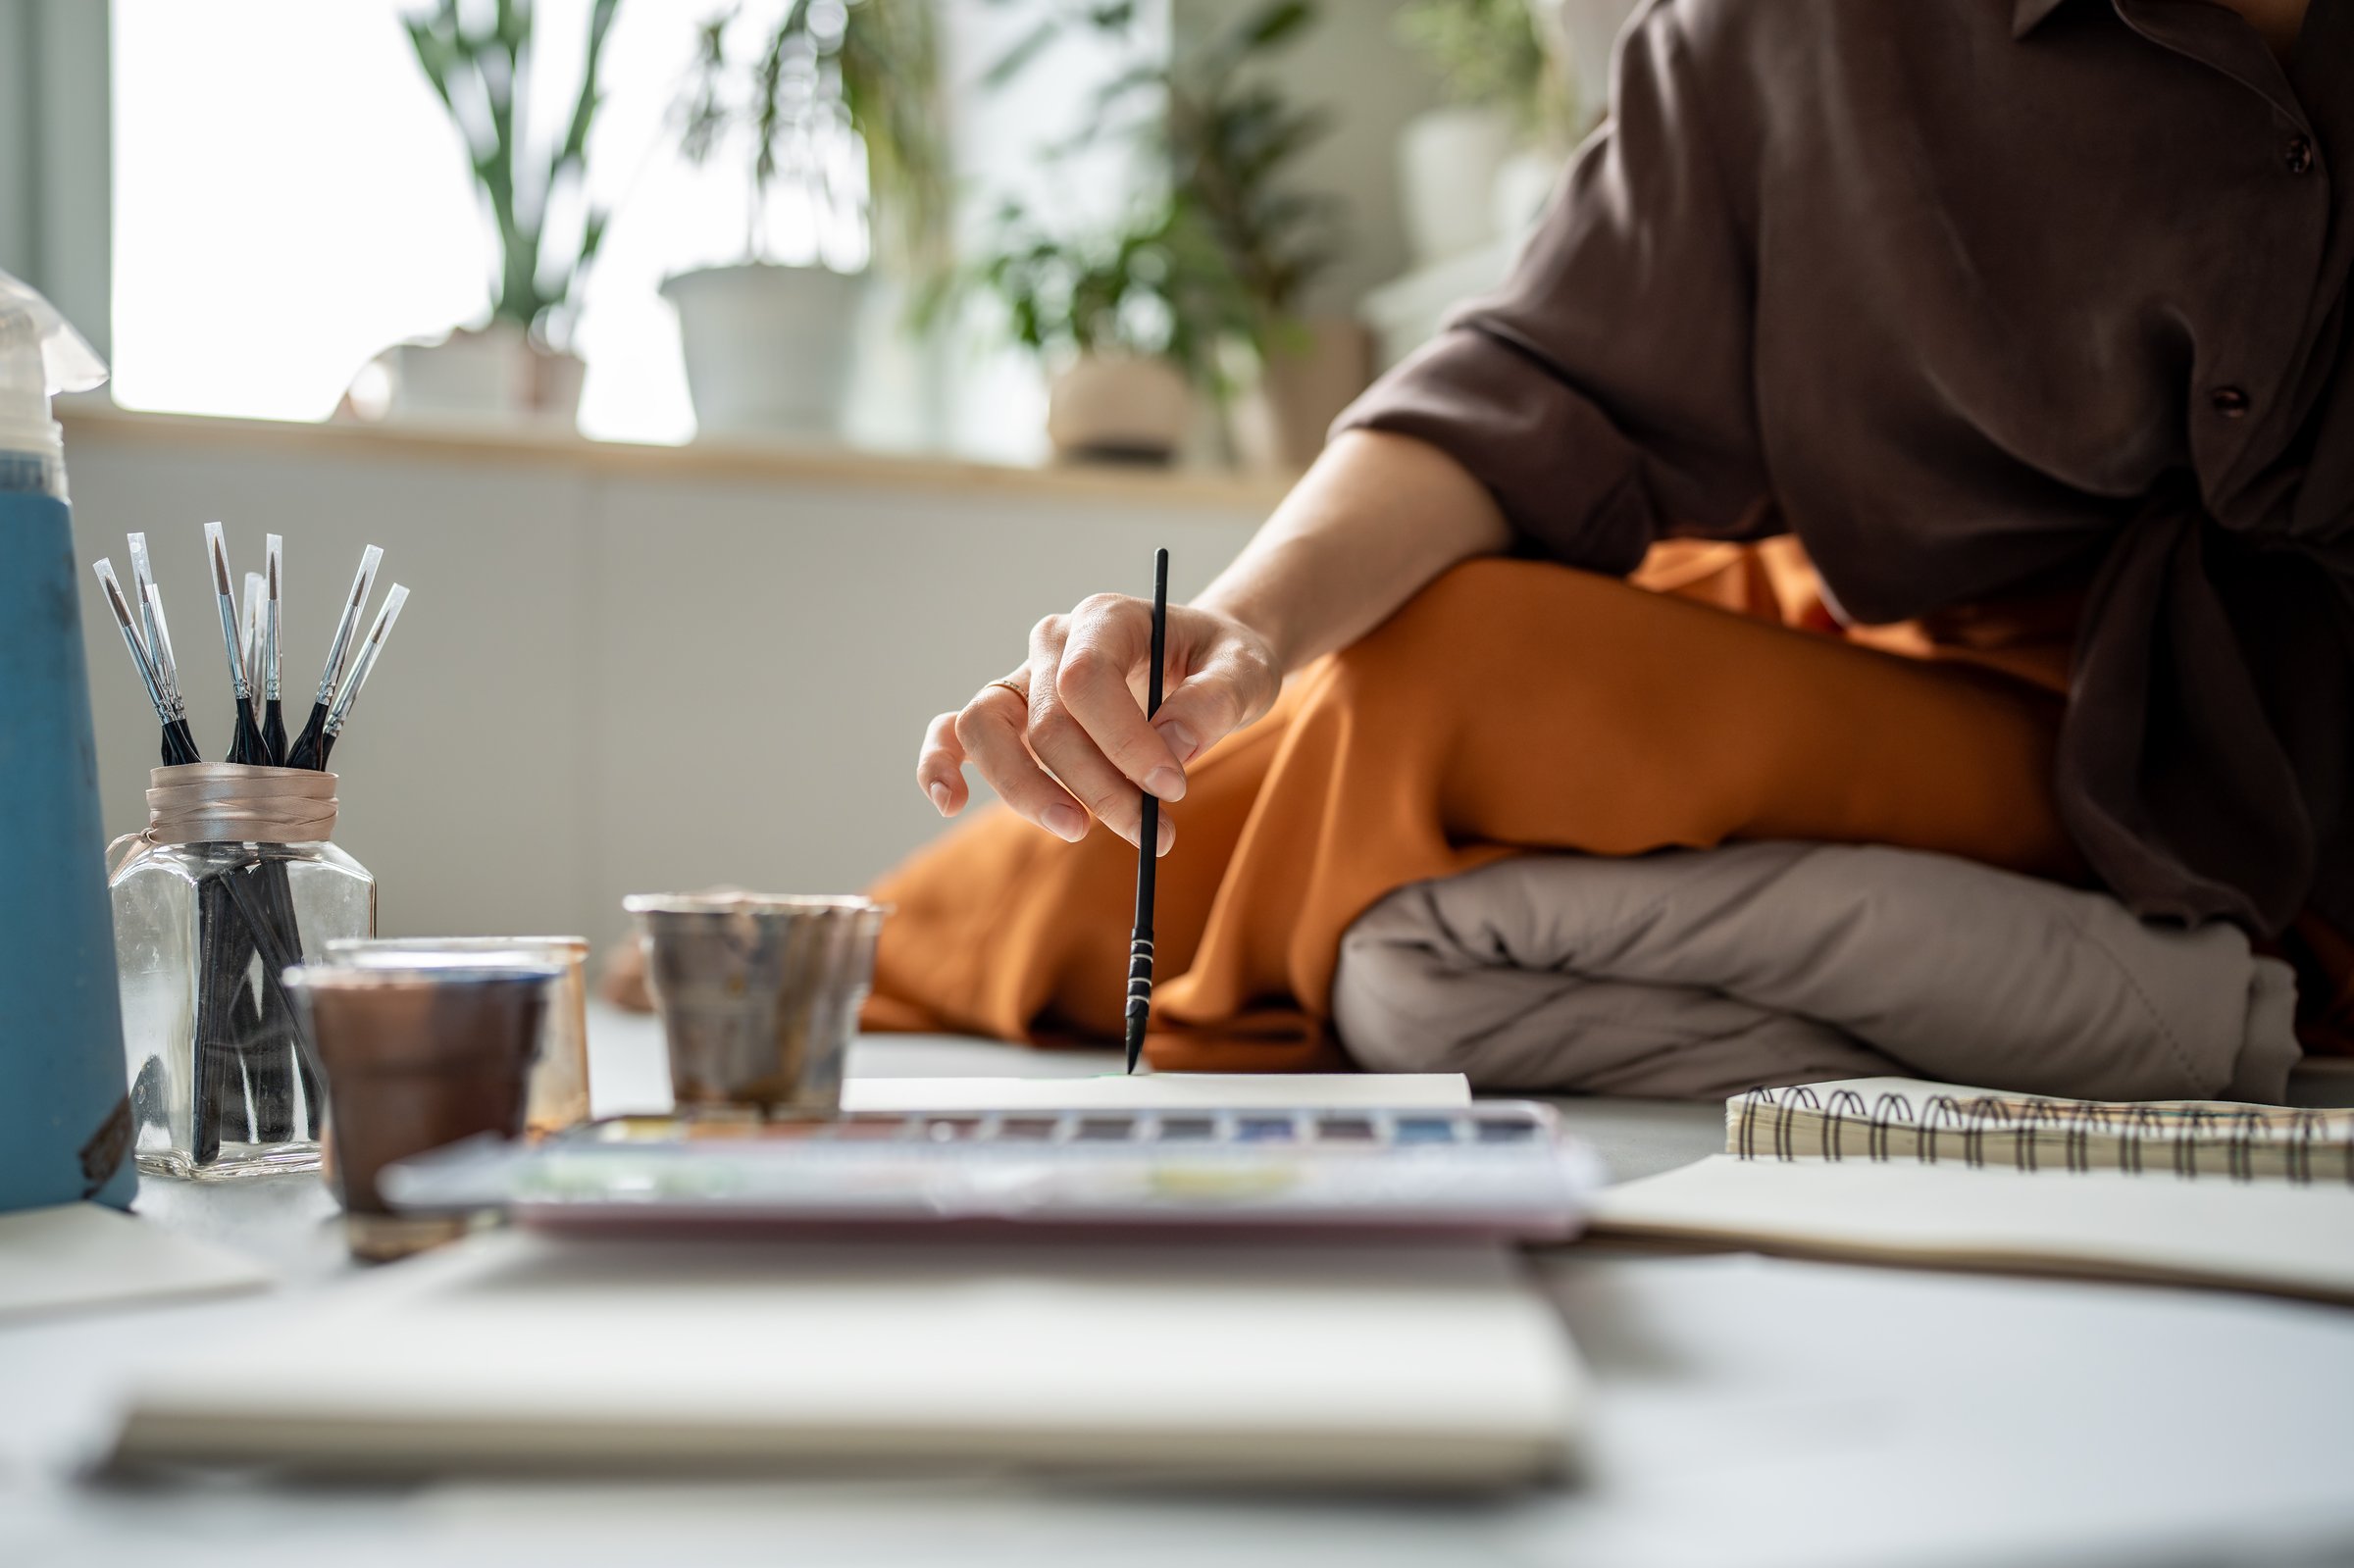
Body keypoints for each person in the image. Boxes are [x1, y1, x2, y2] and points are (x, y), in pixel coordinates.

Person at [871, 0, 2351, 1072]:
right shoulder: (1797, 34)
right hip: (1903, 654)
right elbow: (1539, 382)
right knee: (1181, 780)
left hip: (2163, 735)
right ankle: (841, 950)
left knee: (1447, 675)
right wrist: (1246, 632)